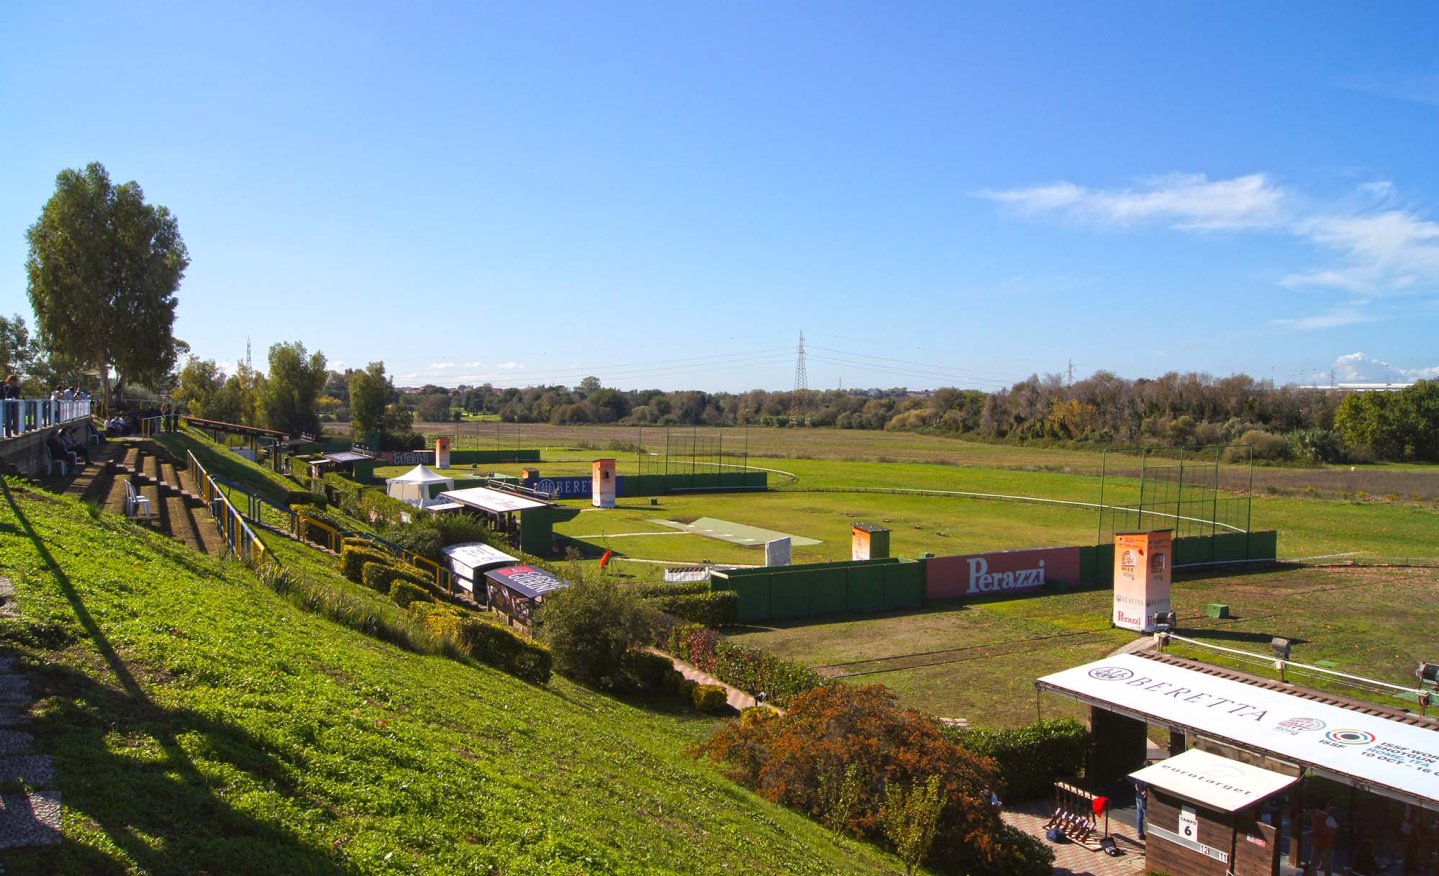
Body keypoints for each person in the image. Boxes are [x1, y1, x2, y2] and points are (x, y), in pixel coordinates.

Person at [1307, 800, 1338, 876]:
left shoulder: (1314, 814)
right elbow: (1335, 827)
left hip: (1316, 842)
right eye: (1329, 806)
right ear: (1326, 807)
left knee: (1313, 863)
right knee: (1327, 867)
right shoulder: (1328, 818)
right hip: (1326, 843)